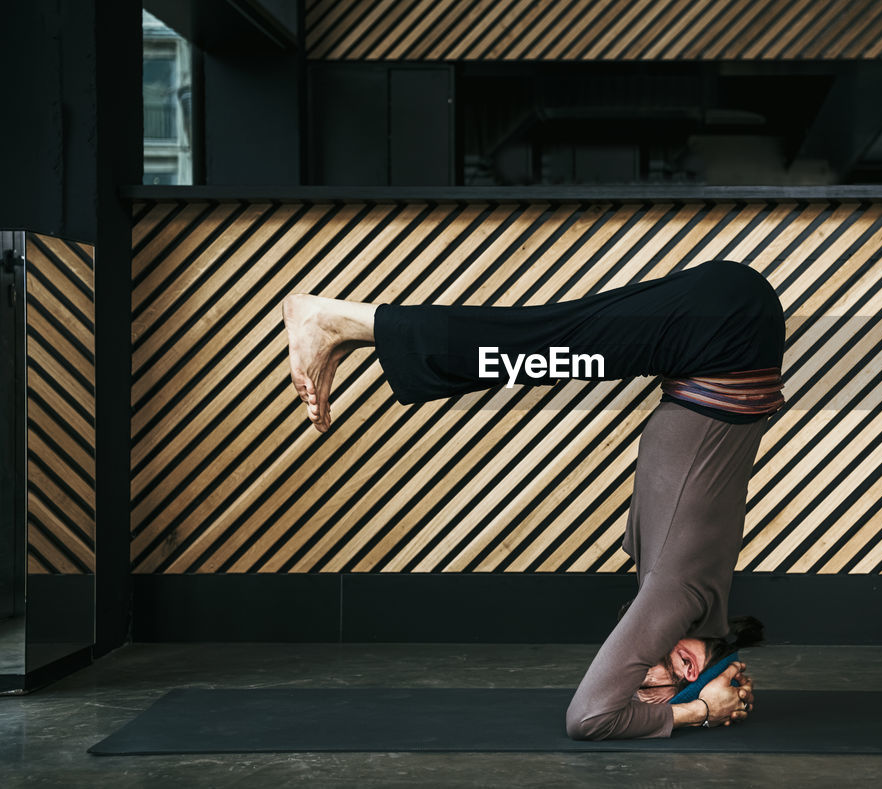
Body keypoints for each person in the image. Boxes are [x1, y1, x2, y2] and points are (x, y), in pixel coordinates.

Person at [282, 260, 786, 740]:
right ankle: (335, 319)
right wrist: (698, 710)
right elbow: (590, 718)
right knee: (525, 345)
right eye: (647, 688)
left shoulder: (700, 595)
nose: (634, 680)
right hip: (726, 332)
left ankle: (351, 331)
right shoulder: (677, 599)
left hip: (729, 332)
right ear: (688, 664)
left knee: (535, 345)